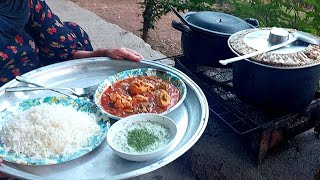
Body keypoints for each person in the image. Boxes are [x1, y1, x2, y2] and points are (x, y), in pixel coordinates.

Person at [0, 0, 144, 87]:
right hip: (11, 89)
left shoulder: (18, 4)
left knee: (72, 29)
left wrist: (101, 54)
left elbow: (63, 51)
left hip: (41, 68)